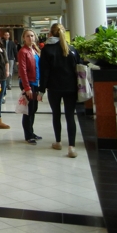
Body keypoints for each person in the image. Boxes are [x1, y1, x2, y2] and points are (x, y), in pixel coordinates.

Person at [39, 23, 80, 158]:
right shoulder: (72, 49)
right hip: (71, 87)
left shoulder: (47, 50)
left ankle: (58, 142)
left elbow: (44, 72)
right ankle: (71, 147)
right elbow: (79, 69)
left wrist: (41, 90)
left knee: (56, 114)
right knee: (70, 116)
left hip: (54, 87)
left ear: (50, 33)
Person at [18, 29, 42, 145]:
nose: (30, 38)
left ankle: (31, 132)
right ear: (24, 38)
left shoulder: (35, 50)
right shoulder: (23, 51)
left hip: (35, 83)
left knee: (33, 109)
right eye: (28, 36)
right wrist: (27, 87)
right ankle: (28, 135)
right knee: (28, 110)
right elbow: (22, 71)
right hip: (28, 84)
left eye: (32, 36)